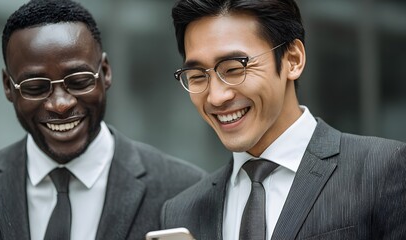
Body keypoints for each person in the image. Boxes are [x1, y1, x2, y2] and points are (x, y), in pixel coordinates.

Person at [0, 0, 206, 239]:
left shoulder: (185, 190)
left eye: (79, 81)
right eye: (36, 87)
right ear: (8, 87)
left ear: (105, 72)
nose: (60, 104)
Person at [160, 0, 406, 239]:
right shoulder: (181, 211)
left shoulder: (382, 171)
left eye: (234, 69)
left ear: (293, 60)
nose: (216, 97)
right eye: (197, 76)